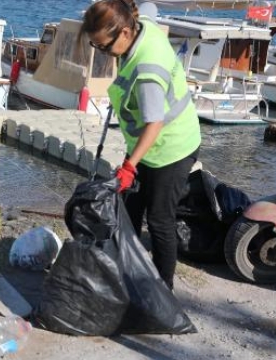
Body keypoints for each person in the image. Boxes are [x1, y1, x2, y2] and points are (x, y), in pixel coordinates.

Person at [80, 0, 201, 290]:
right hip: (145, 144)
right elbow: (148, 7)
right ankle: (128, 270)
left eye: (104, 46)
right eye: (96, 47)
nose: (103, 52)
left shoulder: (148, 68)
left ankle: (163, 291)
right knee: (129, 208)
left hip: (171, 148)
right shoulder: (139, 24)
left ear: (123, 33)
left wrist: (130, 166)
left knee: (160, 219)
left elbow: (155, 123)